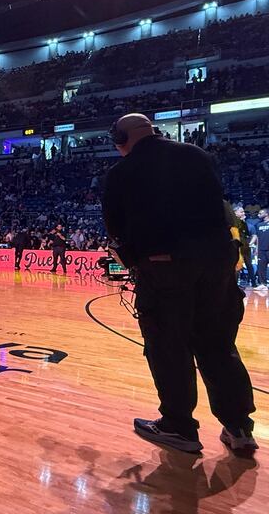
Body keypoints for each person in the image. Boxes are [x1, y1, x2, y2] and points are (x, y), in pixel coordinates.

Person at [103, 112, 257, 455]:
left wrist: (134, 260)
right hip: (217, 263)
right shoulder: (199, 156)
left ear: (121, 139)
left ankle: (179, 427)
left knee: (168, 346)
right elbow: (220, 208)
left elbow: (116, 229)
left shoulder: (122, 172)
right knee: (219, 344)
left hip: (165, 267)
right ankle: (239, 428)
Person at [233, 206, 256, 288]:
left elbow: (254, 235)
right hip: (236, 248)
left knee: (249, 265)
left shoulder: (248, 225)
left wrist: (250, 244)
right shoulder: (232, 224)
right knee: (237, 266)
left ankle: (254, 283)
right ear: (235, 213)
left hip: (245, 247)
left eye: (243, 212)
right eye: (241, 212)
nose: (243, 213)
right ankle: (236, 284)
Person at [254, 208, 269, 290]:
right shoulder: (259, 225)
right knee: (261, 267)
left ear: (266, 214)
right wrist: (257, 249)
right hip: (261, 249)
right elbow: (258, 238)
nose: (258, 215)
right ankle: (263, 284)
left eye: (260, 213)